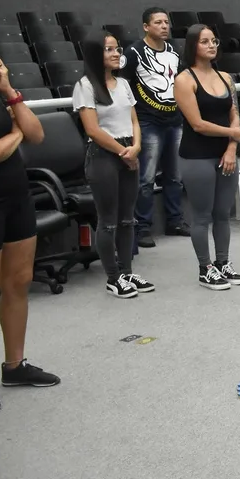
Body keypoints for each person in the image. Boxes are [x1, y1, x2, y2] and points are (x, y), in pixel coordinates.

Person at [0, 17, 58, 415]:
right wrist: (16, 135)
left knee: (19, 282)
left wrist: (8, 91)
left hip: (17, 197)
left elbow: (36, 134)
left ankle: (15, 365)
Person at [72, 32, 154, 297]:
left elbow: (134, 121)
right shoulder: (85, 85)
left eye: (117, 48)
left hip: (129, 150)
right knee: (108, 221)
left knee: (128, 219)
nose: (117, 53)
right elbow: (93, 130)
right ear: (97, 54)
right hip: (105, 155)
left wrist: (137, 147)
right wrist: (125, 152)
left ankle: (127, 272)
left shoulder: (124, 84)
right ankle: (113, 277)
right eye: (109, 49)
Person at [173, 25, 240, 290]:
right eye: (205, 41)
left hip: (224, 153)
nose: (211, 45)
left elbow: (234, 113)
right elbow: (198, 124)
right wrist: (234, 133)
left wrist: (231, 147)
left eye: (214, 41)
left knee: (222, 214)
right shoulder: (184, 80)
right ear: (193, 46)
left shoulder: (226, 77)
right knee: (202, 216)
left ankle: (223, 263)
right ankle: (205, 268)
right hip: (197, 156)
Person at [121, 7, 188, 247]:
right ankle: (143, 227)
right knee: (146, 178)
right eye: (158, 22)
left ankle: (175, 221)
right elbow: (123, 84)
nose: (164, 26)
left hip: (174, 119)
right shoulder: (134, 52)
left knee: (175, 176)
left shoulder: (173, 51)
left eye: (166, 22)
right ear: (146, 27)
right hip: (148, 122)